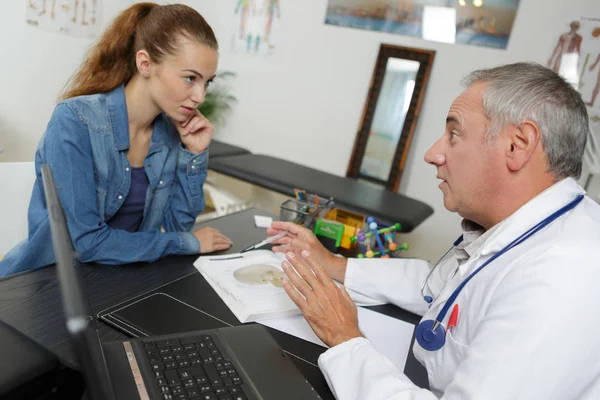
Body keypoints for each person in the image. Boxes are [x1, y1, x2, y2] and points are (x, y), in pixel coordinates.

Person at [268, 62, 600, 399]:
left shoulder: (565, 274)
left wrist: (345, 339)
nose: (432, 154)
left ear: (517, 145)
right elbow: (437, 287)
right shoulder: (526, 231)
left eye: (454, 135)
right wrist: (334, 264)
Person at [0, 3, 233, 277]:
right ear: (145, 63)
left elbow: (175, 228)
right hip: (47, 285)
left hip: (120, 283)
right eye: (190, 78)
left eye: (207, 82)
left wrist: (195, 154)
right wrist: (186, 242)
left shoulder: (171, 133)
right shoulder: (75, 121)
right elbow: (86, 243)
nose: (200, 96)